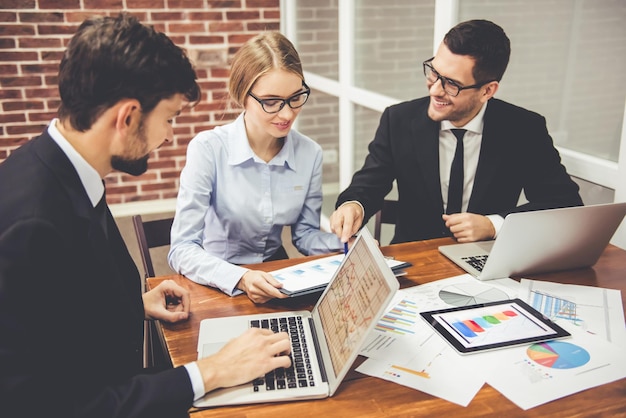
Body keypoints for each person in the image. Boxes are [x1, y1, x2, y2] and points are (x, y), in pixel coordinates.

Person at [0, 14, 291, 418]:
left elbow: (57, 315)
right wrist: (209, 373)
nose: (170, 136)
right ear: (128, 117)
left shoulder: (61, 168)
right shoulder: (29, 225)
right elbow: (45, 406)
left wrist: (132, 304)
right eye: (169, 118)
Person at [330, 19, 583, 245]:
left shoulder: (524, 129)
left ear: (487, 91)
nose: (434, 90)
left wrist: (494, 225)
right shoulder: (398, 120)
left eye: (451, 84)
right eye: (434, 73)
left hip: (488, 261)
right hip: (414, 260)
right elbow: (369, 183)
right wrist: (354, 205)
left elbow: (565, 204)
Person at [168, 31, 342, 304]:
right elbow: (181, 249)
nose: (287, 114)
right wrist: (241, 277)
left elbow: (305, 236)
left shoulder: (310, 153)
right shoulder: (209, 148)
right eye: (271, 102)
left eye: (296, 97)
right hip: (216, 278)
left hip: (276, 278)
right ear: (242, 96)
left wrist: (347, 244)